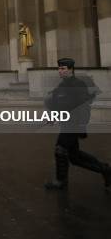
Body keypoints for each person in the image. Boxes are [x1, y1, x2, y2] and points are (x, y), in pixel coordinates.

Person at [44, 58, 111, 190]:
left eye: (63, 69)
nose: (60, 71)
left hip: (73, 125)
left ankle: (60, 181)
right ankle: (105, 169)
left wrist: (81, 126)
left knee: (60, 149)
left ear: (71, 69)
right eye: (59, 68)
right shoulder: (62, 86)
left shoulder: (78, 85)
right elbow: (58, 104)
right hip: (66, 124)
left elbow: (84, 108)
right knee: (75, 157)